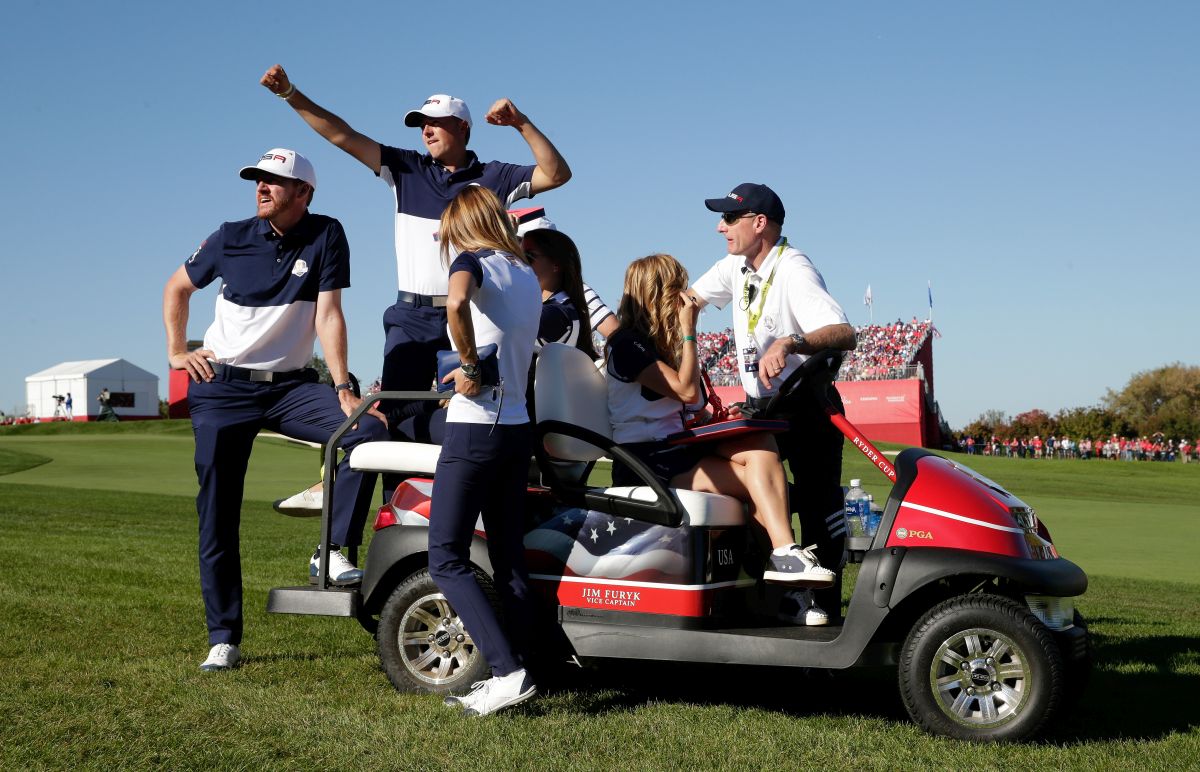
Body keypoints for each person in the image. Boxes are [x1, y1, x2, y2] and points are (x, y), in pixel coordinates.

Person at [261, 64, 571, 513]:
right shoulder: (406, 168)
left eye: (436, 123)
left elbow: (556, 173)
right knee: (396, 421)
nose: (425, 131)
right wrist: (291, 94)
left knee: (477, 416)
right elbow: (342, 136)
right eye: (420, 124)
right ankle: (397, 516)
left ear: (463, 128)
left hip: (471, 317)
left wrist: (521, 122)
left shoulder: (496, 176)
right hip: (411, 317)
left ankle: (475, 517)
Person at [162, 148, 389, 672]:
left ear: (303, 193)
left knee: (366, 433)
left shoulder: (327, 233)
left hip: (290, 387)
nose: (261, 187)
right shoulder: (228, 236)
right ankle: (224, 636)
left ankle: (330, 551)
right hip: (223, 388)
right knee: (217, 514)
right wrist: (178, 352)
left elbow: (329, 315)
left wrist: (342, 386)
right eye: (258, 179)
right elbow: (176, 288)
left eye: (274, 181)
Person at [606, 253, 836, 625]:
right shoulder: (627, 344)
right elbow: (684, 389)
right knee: (757, 483)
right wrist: (688, 331)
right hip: (645, 460)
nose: (686, 296)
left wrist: (713, 417)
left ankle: (785, 561)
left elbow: (691, 404)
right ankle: (789, 586)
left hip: (675, 449)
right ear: (657, 293)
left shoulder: (658, 342)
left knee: (760, 446)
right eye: (676, 287)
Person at [687, 183, 857, 623]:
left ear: (759, 224)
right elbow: (688, 301)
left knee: (819, 508)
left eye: (729, 218)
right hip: (763, 408)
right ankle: (774, 598)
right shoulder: (734, 267)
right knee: (758, 499)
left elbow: (844, 332)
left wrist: (791, 340)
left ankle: (820, 606)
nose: (720, 226)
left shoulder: (794, 268)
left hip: (808, 407)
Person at [427, 186, 541, 716]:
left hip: (474, 427)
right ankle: (524, 665)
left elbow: (454, 303)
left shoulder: (471, 260)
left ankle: (507, 671)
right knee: (507, 557)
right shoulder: (525, 272)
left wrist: (468, 365)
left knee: (446, 557)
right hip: (516, 425)